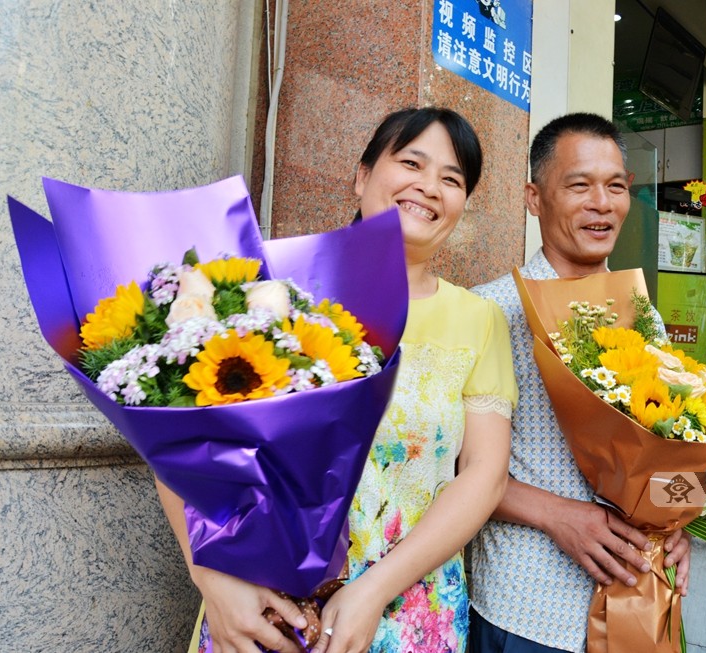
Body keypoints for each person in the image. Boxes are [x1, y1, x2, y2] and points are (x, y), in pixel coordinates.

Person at [156, 107, 518, 653]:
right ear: (362, 174)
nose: (429, 187)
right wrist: (209, 576)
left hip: (410, 614)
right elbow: (177, 441)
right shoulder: (269, 289)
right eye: (412, 163)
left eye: (452, 179)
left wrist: (373, 591)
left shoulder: (480, 320)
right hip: (260, 610)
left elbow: (484, 477)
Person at [470, 112, 692, 653]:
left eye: (615, 186)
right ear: (533, 197)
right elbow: (449, 464)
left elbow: (666, 446)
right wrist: (558, 515)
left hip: (636, 597)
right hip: (527, 600)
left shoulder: (644, 315)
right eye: (579, 185)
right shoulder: (492, 310)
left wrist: (675, 523)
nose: (602, 203)